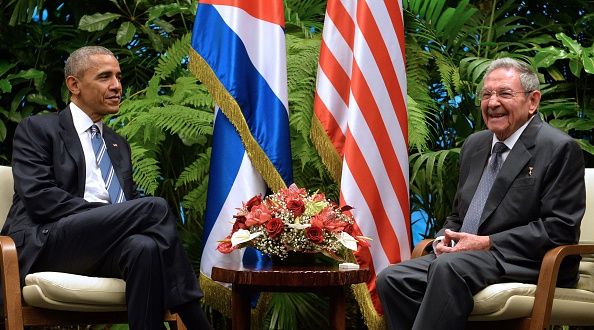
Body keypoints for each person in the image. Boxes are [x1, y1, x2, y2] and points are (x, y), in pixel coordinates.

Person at [2, 46, 212, 330]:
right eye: (104, 77)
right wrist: (108, 215)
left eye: (118, 76)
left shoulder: (117, 144)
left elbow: (129, 203)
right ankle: (195, 319)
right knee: (155, 207)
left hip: (101, 248)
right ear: (74, 85)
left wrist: (117, 218)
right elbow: (41, 199)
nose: (116, 86)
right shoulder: (38, 129)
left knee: (144, 247)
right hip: (49, 241)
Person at [376, 57, 585, 329]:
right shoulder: (475, 145)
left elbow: (560, 229)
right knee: (392, 279)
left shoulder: (558, 148)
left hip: (528, 260)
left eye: (504, 94)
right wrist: (443, 239)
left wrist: (487, 242)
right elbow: (457, 215)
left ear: (533, 101)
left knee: (448, 269)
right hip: (469, 258)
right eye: (486, 94)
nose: (493, 103)